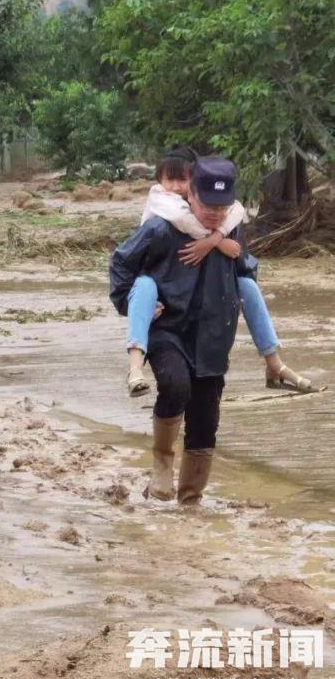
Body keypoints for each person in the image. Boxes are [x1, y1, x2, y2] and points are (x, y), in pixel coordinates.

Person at [110, 156, 255, 505]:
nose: (215, 214)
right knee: (175, 386)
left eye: (222, 208)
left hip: (213, 335)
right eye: (207, 206)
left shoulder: (231, 229)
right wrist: (133, 304)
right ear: (191, 195)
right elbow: (121, 262)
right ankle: (162, 465)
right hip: (168, 328)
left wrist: (228, 255)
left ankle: (191, 501)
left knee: (206, 419)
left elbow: (247, 270)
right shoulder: (161, 228)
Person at [124, 148, 315, 396]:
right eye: (169, 179)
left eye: (182, 180)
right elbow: (184, 223)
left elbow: (236, 219)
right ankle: (135, 366)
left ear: (193, 184)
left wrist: (219, 240)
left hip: (204, 304)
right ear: (159, 180)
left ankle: (274, 362)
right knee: (144, 286)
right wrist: (217, 240)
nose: (175, 187)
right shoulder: (161, 207)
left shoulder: (216, 211)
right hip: (162, 292)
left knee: (247, 286)